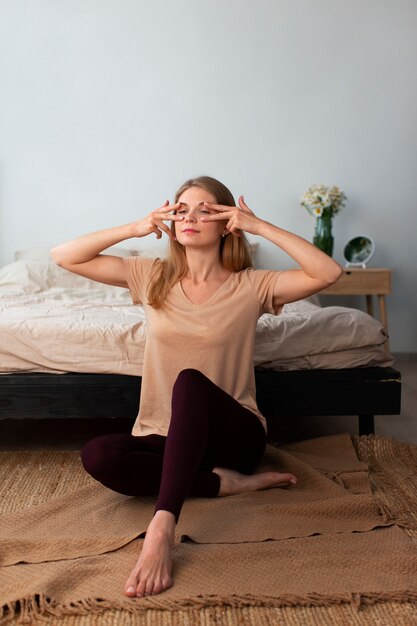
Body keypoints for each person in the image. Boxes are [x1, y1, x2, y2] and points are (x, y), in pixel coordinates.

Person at [50, 175, 342, 599]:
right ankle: (222, 484)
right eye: (182, 209)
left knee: (190, 381)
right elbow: (64, 256)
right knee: (99, 455)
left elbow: (329, 272)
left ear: (227, 223)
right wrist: (135, 228)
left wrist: (259, 226)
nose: (190, 217)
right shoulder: (151, 277)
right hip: (166, 435)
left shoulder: (251, 285)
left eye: (205, 210)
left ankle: (163, 526)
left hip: (235, 438)